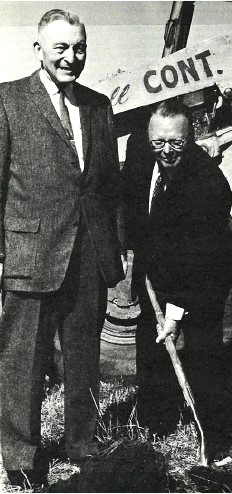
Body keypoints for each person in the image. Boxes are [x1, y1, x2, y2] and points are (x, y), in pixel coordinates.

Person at [0, 9, 125, 488]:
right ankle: (21, 457)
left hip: (87, 256)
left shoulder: (98, 105)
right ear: (39, 50)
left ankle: (83, 441)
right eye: (61, 48)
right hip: (30, 255)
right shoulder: (9, 100)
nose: (72, 57)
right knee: (22, 362)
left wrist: (111, 255)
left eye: (79, 48)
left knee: (84, 357)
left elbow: (106, 186)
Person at [122, 99, 232, 464]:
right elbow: (130, 202)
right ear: (148, 138)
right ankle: (156, 420)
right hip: (157, 265)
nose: (167, 152)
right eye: (159, 143)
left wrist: (175, 314)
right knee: (151, 342)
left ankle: (213, 438)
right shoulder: (141, 153)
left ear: (191, 138)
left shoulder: (208, 184)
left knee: (202, 348)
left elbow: (196, 258)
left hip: (205, 272)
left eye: (177, 144)